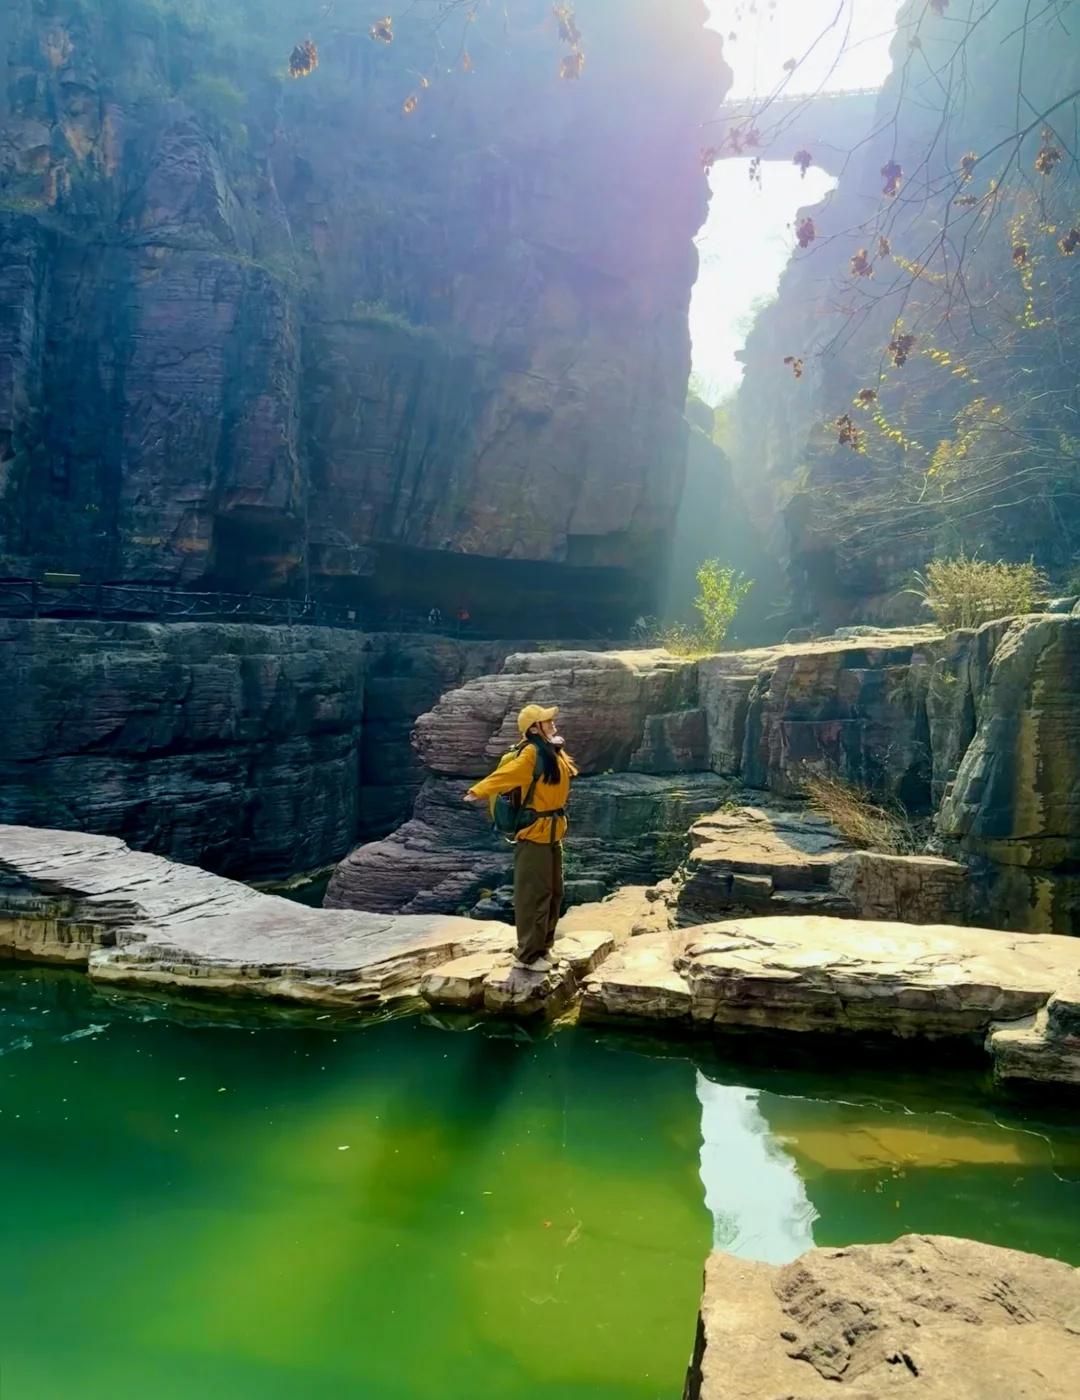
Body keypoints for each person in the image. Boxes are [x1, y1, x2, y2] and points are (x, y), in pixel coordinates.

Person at [464, 704, 578, 973]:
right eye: (546, 720)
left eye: (550, 719)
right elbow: (506, 775)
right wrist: (478, 791)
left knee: (553, 893)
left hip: (552, 832)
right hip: (534, 834)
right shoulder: (530, 753)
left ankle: (543, 948)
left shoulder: (551, 750)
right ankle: (527, 955)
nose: (551, 723)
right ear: (533, 728)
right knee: (532, 896)